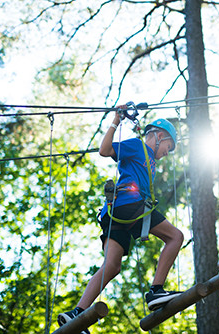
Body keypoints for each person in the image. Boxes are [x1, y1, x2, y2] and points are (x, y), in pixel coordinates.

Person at [57, 109, 184, 333]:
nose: (167, 153)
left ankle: (77, 314)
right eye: (168, 146)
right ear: (158, 136)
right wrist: (116, 120)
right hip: (129, 205)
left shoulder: (150, 160)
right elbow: (105, 150)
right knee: (176, 237)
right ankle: (156, 290)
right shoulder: (138, 146)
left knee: (112, 266)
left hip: (117, 213)